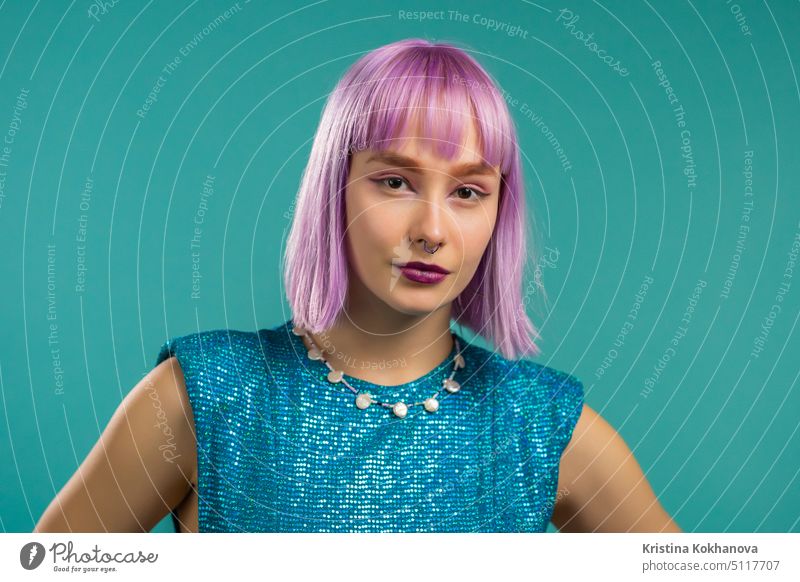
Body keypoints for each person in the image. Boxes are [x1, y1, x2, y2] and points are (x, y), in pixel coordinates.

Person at [35, 38, 681, 533]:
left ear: (497, 213)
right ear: (333, 190)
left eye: (467, 192)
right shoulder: (201, 399)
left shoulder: (537, 424)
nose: (432, 229)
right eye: (395, 181)